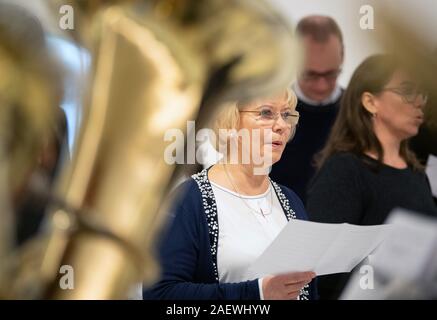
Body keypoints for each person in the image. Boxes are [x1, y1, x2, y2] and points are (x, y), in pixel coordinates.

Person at [143, 89, 317, 300]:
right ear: (231, 124)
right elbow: (161, 294)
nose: (281, 125)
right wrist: (258, 293)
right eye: (266, 113)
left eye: (287, 114)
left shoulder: (291, 201)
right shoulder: (189, 200)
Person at [306, 54, 437, 299]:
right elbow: (319, 274)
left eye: (423, 93)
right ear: (370, 102)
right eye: (408, 91)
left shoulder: (417, 175)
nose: (419, 101)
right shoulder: (344, 171)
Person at [270, 15, 344, 203]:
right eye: (310, 75)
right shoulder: (268, 115)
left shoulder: (361, 113)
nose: (321, 85)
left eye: (330, 74)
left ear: (342, 58)